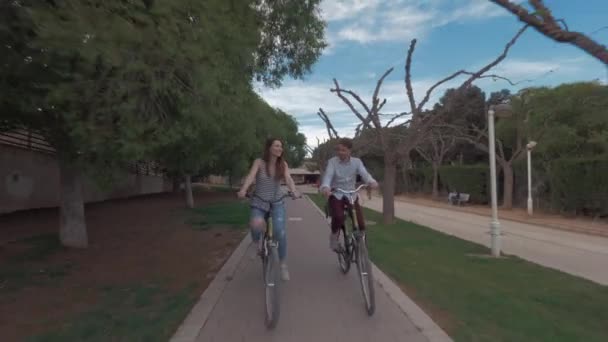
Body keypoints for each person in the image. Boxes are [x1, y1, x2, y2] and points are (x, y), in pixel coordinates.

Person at [237, 138, 300, 281]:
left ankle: (283, 264)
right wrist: (243, 189)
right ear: (269, 148)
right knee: (256, 224)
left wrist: (294, 190)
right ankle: (255, 243)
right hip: (259, 201)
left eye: (281, 146)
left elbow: (288, 179)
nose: (280, 148)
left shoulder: (282, 164)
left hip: (277, 202)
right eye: (276, 146)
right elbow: (251, 177)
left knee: (280, 232)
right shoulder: (259, 162)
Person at [320, 138, 378, 251]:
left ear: (349, 151)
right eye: (339, 150)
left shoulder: (357, 162)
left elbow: (364, 173)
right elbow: (328, 175)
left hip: (351, 195)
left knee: (361, 223)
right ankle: (334, 238)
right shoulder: (332, 162)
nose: (340, 152)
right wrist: (326, 186)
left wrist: (371, 181)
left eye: (344, 150)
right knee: (339, 216)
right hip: (336, 194)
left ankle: (361, 246)